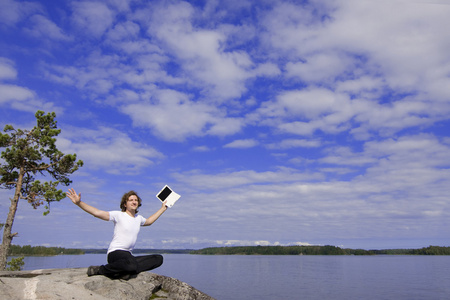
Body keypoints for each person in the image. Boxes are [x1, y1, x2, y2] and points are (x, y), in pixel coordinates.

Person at [66, 188, 168, 280]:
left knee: (158, 259)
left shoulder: (139, 218)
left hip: (128, 256)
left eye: (136, 200)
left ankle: (123, 272)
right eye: (131, 200)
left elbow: (149, 221)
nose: (134, 201)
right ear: (125, 204)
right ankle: (100, 270)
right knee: (131, 265)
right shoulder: (119, 215)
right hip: (115, 253)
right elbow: (97, 212)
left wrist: (163, 208)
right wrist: (79, 203)